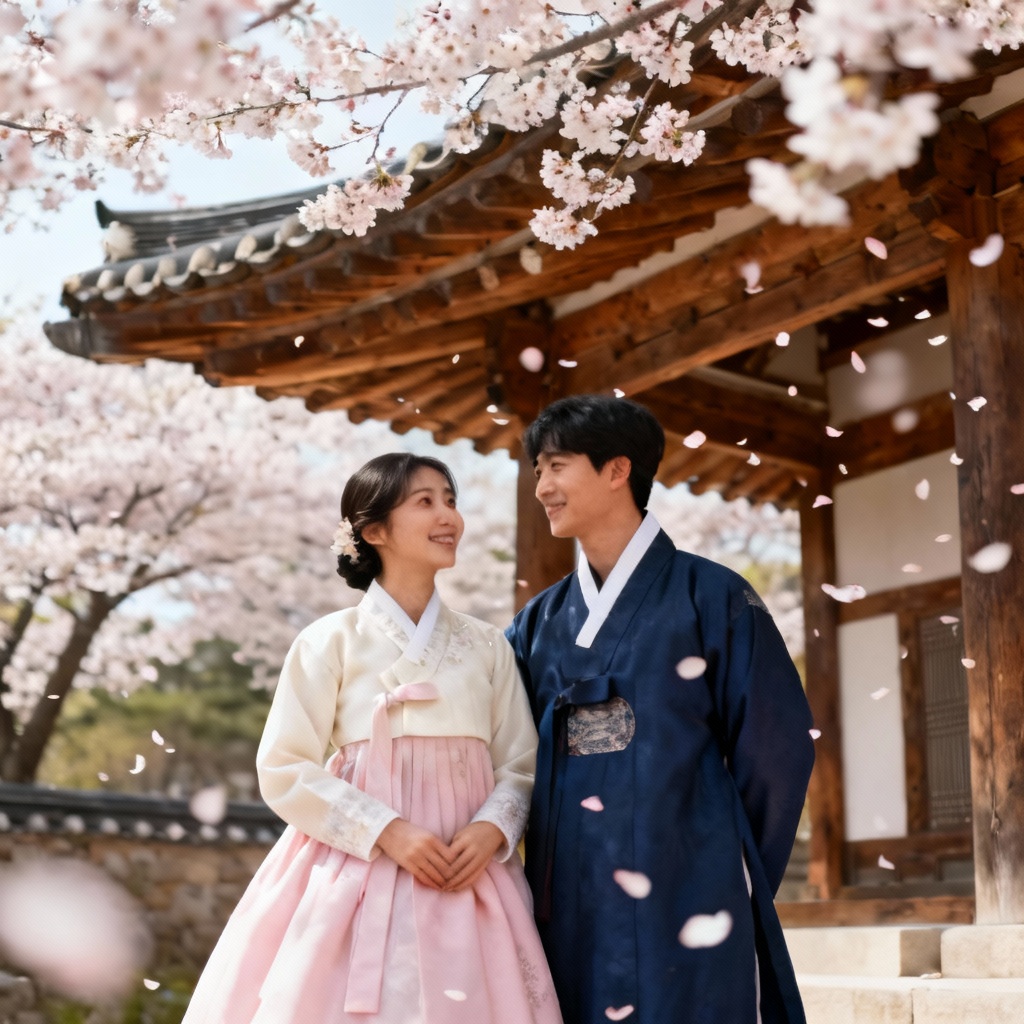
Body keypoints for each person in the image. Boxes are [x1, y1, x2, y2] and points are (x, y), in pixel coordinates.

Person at [183, 452, 563, 1024]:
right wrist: (386, 830)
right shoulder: (328, 640)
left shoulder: (489, 646)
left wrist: (491, 829)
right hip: (356, 863)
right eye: (425, 502)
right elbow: (284, 765)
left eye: (451, 500)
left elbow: (521, 762)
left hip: (466, 865)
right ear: (375, 530)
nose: (449, 516)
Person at [505, 395, 815, 1024]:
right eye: (538, 471)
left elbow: (776, 751)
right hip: (568, 899)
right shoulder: (537, 624)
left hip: (693, 888)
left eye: (557, 466)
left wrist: (724, 864)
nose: (542, 488)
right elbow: (504, 754)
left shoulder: (715, 597)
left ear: (618, 470)